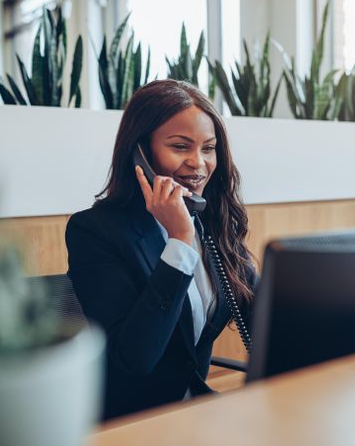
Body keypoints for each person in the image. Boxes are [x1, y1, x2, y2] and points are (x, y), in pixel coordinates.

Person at [65, 79, 256, 420]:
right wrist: (180, 241)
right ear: (140, 152)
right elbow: (135, 358)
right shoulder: (94, 232)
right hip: (132, 422)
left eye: (208, 148)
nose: (198, 163)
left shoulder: (212, 222)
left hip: (197, 413)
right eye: (181, 146)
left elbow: (261, 313)